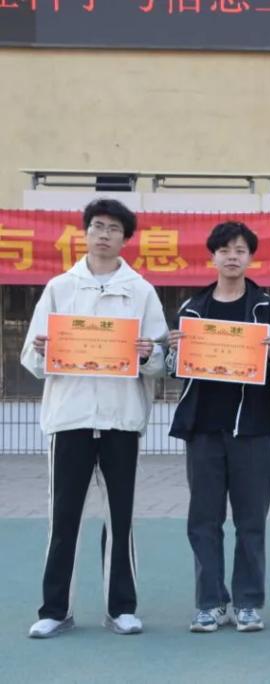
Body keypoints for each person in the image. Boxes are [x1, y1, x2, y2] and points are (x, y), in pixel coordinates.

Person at [21, 198, 168, 638]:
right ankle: (55, 610)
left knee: (121, 519)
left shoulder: (140, 291)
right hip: (70, 419)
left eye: (113, 229)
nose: (104, 234)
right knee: (63, 518)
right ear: (85, 233)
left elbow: (161, 359)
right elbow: (31, 356)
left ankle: (120, 608)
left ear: (126, 239)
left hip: (122, 420)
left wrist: (149, 354)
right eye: (98, 226)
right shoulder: (59, 288)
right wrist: (43, 350)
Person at [164, 221, 270, 634]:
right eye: (225, 250)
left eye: (240, 250)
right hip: (202, 428)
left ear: (250, 257)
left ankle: (248, 603)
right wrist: (173, 350)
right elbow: (174, 370)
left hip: (251, 428)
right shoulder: (192, 308)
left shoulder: (265, 307)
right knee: (204, 519)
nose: (232, 257)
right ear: (212, 257)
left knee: (251, 520)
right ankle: (210, 603)